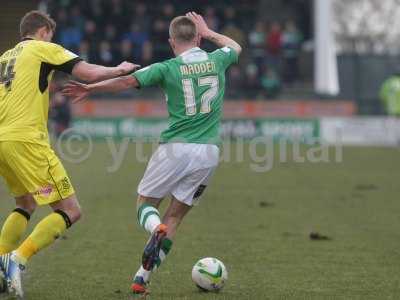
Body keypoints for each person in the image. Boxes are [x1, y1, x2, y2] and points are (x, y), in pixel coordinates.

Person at [62, 12, 242, 296]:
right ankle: (141, 278)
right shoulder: (218, 59)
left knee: (145, 205)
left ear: (172, 42)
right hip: (209, 151)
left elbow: (124, 82)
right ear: (197, 38)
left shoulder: (166, 67)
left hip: (175, 148)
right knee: (176, 217)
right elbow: (235, 46)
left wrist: (91, 88)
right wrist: (209, 32)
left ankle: (154, 228)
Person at [0, 10, 138, 297]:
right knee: (70, 211)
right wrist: (119, 68)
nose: (52, 39)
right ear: (42, 31)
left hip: (3, 140)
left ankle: (2, 261)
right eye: (51, 34)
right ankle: (18, 258)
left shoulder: (4, 58)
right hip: (28, 141)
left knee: (25, 202)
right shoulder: (43, 48)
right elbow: (86, 72)